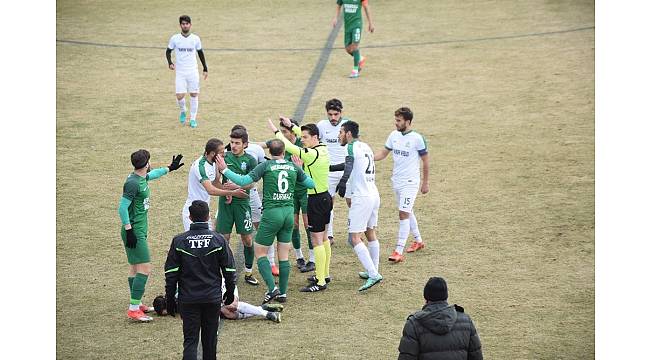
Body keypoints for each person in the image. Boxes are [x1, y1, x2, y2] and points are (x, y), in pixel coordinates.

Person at [216, 139, 315, 304]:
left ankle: (272, 289)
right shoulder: (292, 167)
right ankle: (283, 293)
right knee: (283, 255)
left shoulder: (267, 166)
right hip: (288, 214)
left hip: (272, 215)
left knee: (260, 252)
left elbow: (243, 181)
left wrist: (224, 169)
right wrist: (300, 168)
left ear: (270, 152)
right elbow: (310, 184)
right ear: (284, 152)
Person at [164, 200, 237, 360]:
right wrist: (230, 293)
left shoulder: (179, 241)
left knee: (190, 341)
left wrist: (169, 298)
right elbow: (229, 269)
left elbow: (171, 273)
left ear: (190, 217)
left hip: (188, 299)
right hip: (212, 299)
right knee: (210, 342)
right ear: (208, 216)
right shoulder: (218, 240)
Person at [118, 149, 184, 322]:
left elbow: (152, 175)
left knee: (134, 267)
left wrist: (170, 168)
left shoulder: (140, 177)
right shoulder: (133, 183)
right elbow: (122, 207)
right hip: (134, 231)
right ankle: (133, 309)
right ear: (146, 163)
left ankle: (137, 303)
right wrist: (129, 229)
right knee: (145, 269)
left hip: (137, 230)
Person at [272, 117, 332, 293]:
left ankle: (320, 281)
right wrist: (292, 127)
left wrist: (276, 132)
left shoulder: (311, 154)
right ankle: (324, 273)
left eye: (305, 138)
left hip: (315, 200)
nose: (302, 140)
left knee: (316, 240)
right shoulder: (322, 148)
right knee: (324, 237)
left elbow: (289, 147)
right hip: (325, 198)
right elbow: (302, 135)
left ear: (314, 137)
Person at [374, 107, 429, 263]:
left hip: (410, 183)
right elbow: (383, 153)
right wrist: (367, 157)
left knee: (403, 213)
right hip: (396, 181)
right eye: (395, 120)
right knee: (407, 210)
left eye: (399, 120)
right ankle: (418, 241)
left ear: (408, 121)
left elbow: (426, 161)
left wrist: (425, 183)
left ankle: (398, 251)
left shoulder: (417, 138)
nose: (396, 123)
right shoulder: (393, 135)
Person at [332, 121, 383, 291]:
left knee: (355, 238)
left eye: (340, 132)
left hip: (362, 197)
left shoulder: (350, 147)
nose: (339, 135)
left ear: (348, 133)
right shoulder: (365, 146)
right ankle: (373, 270)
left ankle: (373, 274)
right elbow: (352, 165)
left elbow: (348, 165)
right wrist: (329, 167)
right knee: (370, 232)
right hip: (373, 193)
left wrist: (343, 182)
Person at [261, 118, 315, 273]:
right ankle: (299, 256)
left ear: (293, 132)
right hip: (289, 193)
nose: (282, 135)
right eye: (281, 132)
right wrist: (244, 143)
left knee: (307, 224)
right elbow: (262, 145)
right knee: (294, 226)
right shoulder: (280, 144)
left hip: (304, 191)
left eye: (285, 132)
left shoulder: (302, 144)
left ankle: (312, 259)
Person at [397, 277, 483, 360]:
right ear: (446, 296)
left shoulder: (414, 324)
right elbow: (476, 356)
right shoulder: (466, 321)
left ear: (426, 297)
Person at [216, 128, 259, 285]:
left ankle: (248, 272)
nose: (233, 146)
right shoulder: (223, 157)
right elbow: (215, 178)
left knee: (247, 239)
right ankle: (222, 273)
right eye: (232, 142)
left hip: (242, 204)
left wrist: (237, 185)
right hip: (225, 204)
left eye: (237, 143)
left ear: (245, 144)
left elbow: (252, 182)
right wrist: (224, 190)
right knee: (223, 239)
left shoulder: (250, 161)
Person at [181, 138, 248, 231]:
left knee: (209, 240)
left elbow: (215, 182)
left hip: (204, 210)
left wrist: (228, 192)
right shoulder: (201, 167)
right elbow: (211, 190)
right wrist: (233, 193)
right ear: (212, 153)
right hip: (193, 211)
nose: (224, 154)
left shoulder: (213, 162)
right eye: (221, 152)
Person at [317, 98, 351, 244]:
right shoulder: (321, 125)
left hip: (346, 171)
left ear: (341, 112)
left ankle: (353, 232)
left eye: (336, 114)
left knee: (352, 202)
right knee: (328, 203)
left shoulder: (348, 126)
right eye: (330, 114)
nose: (333, 118)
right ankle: (329, 235)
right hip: (328, 171)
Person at [152, 285, 283, 323]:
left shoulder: (181, 293)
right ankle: (260, 309)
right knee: (228, 314)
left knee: (232, 305)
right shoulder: (177, 301)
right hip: (212, 298)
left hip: (223, 287)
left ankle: (267, 313)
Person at [166, 15, 208, 128]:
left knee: (194, 94)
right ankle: (183, 110)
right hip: (180, 72)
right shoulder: (175, 38)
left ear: (190, 25)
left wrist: (205, 68)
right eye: (183, 24)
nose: (185, 25)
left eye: (187, 23)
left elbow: (200, 53)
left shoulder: (195, 38)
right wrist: (170, 62)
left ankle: (193, 119)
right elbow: (168, 51)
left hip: (192, 71)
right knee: (179, 95)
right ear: (180, 25)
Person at [332, 0, 374, 78]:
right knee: (348, 49)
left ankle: (355, 70)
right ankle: (360, 58)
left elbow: (366, 7)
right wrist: (335, 18)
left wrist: (370, 23)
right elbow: (339, 5)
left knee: (355, 46)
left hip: (357, 24)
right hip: (348, 26)